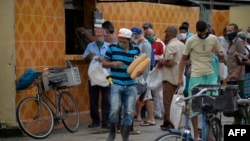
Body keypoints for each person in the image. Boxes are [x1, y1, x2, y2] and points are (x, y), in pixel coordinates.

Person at [178, 21, 224, 141]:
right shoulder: (191, 40)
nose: (203, 36)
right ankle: (196, 135)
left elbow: (222, 58)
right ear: (197, 31)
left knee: (211, 106)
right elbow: (183, 59)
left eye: (205, 33)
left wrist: (218, 54)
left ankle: (209, 134)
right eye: (200, 34)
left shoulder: (213, 39)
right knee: (194, 106)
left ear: (207, 31)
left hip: (210, 75)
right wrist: (179, 78)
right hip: (196, 75)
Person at [102, 28, 141, 141]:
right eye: (120, 40)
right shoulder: (112, 48)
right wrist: (113, 63)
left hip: (131, 85)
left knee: (129, 112)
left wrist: (139, 72)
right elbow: (104, 64)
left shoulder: (136, 50)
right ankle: (112, 132)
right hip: (116, 83)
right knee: (114, 109)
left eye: (124, 41)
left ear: (129, 40)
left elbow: (140, 68)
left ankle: (125, 136)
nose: (122, 43)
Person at [82, 28, 111, 129]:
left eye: (100, 35)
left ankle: (106, 121)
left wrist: (104, 60)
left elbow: (113, 60)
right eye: (96, 35)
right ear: (94, 36)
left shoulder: (109, 47)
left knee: (107, 99)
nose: (98, 37)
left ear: (103, 35)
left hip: (107, 76)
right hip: (93, 77)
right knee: (93, 100)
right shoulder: (90, 46)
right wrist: (88, 56)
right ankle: (95, 121)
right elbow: (84, 60)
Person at [157, 26, 185, 130]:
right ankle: (174, 122)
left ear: (169, 34)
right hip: (180, 77)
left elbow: (170, 62)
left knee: (168, 102)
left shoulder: (170, 45)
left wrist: (161, 61)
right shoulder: (182, 44)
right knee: (177, 102)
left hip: (170, 78)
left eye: (166, 33)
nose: (165, 35)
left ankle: (169, 123)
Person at [130, 27, 152, 122]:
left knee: (143, 95)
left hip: (143, 74)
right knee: (139, 95)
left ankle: (142, 115)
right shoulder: (135, 43)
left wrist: (143, 74)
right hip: (136, 73)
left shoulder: (145, 44)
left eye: (133, 35)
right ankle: (137, 115)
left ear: (137, 35)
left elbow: (146, 60)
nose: (132, 37)